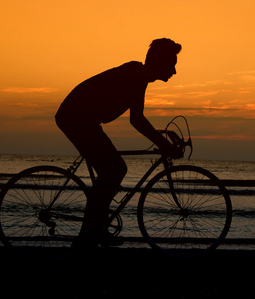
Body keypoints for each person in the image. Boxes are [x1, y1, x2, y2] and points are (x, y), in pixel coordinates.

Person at [55, 38, 182, 248]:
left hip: (83, 118)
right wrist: (164, 145)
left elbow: (137, 118)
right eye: (172, 64)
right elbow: (137, 121)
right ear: (160, 62)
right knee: (113, 171)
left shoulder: (139, 76)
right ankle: (90, 234)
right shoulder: (135, 75)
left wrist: (162, 140)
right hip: (76, 118)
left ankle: (94, 231)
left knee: (111, 173)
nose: (174, 71)